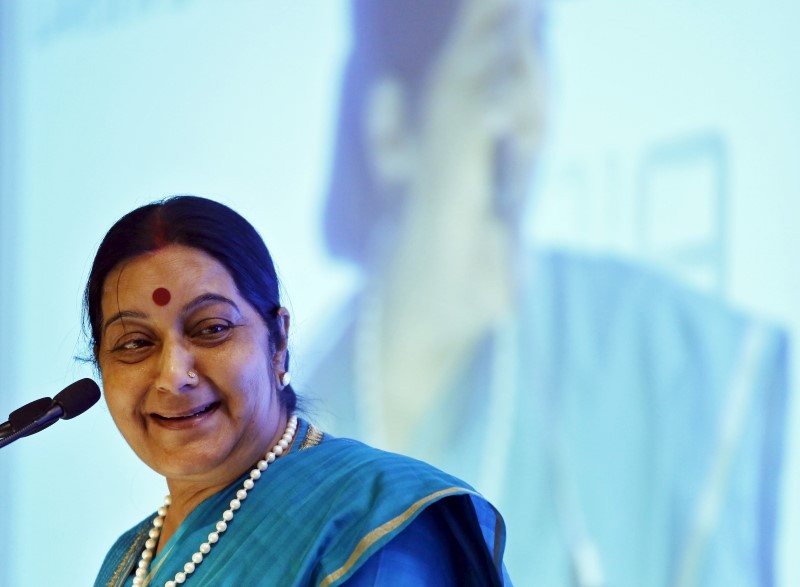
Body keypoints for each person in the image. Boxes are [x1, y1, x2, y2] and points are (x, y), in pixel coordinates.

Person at [305, 0, 790, 585]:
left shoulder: (652, 353)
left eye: (542, 51)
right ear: (393, 133)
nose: (533, 115)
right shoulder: (293, 428)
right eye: (502, 63)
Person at [89, 196, 511, 587]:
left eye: (212, 329)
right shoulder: (128, 561)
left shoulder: (371, 521)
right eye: (135, 343)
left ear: (278, 343)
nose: (174, 375)